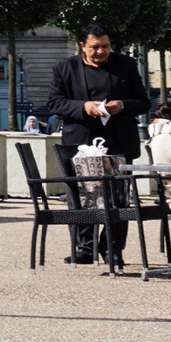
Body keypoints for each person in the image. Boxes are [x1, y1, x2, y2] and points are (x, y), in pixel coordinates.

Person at [45, 23, 149, 267]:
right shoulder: (65, 68)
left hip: (119, 141)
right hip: (80, 141)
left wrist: (122, 105)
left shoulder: (126, 65)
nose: (101, 51)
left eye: (105, 46)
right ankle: (85, 247)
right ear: (83, 46)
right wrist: (84, 107)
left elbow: (143, 101)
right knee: (81, 195)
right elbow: (54, 103)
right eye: (95, 47)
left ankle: (112, 248)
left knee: (119, 196)